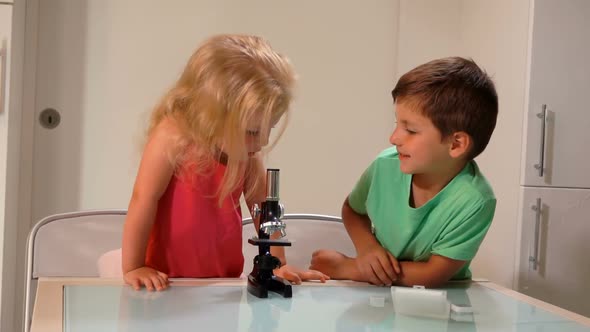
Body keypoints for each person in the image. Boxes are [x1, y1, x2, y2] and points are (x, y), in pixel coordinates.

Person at [122, 34, 328, 291]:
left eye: (269, 129)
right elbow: (143, 199)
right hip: (168, 284)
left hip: (222, 284)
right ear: (212, 116)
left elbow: (267, 213)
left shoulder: (245, 154)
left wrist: (278, 264)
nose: (262, 142)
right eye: (253, 132)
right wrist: (133, 266)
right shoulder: (172, 138)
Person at [310, 57, 498, 288]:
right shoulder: (384, 165)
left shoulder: (475, 200)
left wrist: (349, 268)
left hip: (443, 304)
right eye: (397, 124)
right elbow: (353, 210)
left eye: (410, 129)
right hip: (381, 296)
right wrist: (367, 248)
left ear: (456, 144)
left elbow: (432, 274)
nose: (394, 138)